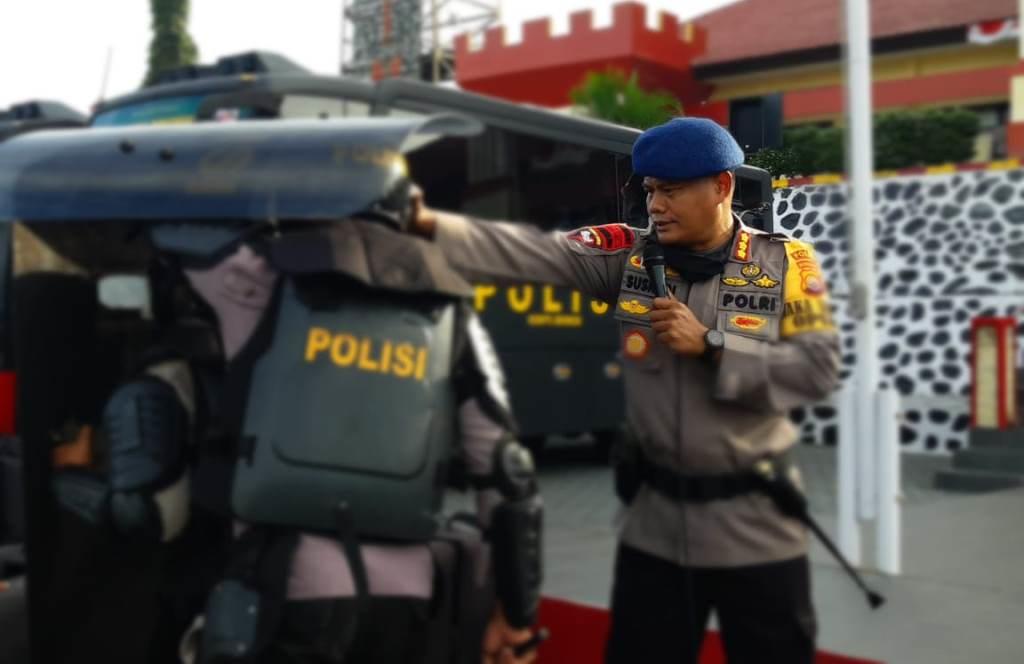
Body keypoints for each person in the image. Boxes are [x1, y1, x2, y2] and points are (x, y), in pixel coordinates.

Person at [409, 117, 841, 663]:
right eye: (651, 190)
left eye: (673, 189)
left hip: (758, 531)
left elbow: (816, 370)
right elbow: (526, 251)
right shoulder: (629, 256)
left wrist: (710, 345)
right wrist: (425, 225)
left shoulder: (786, 264)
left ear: (722, 187)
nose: (656, 205)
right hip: (656, 533)